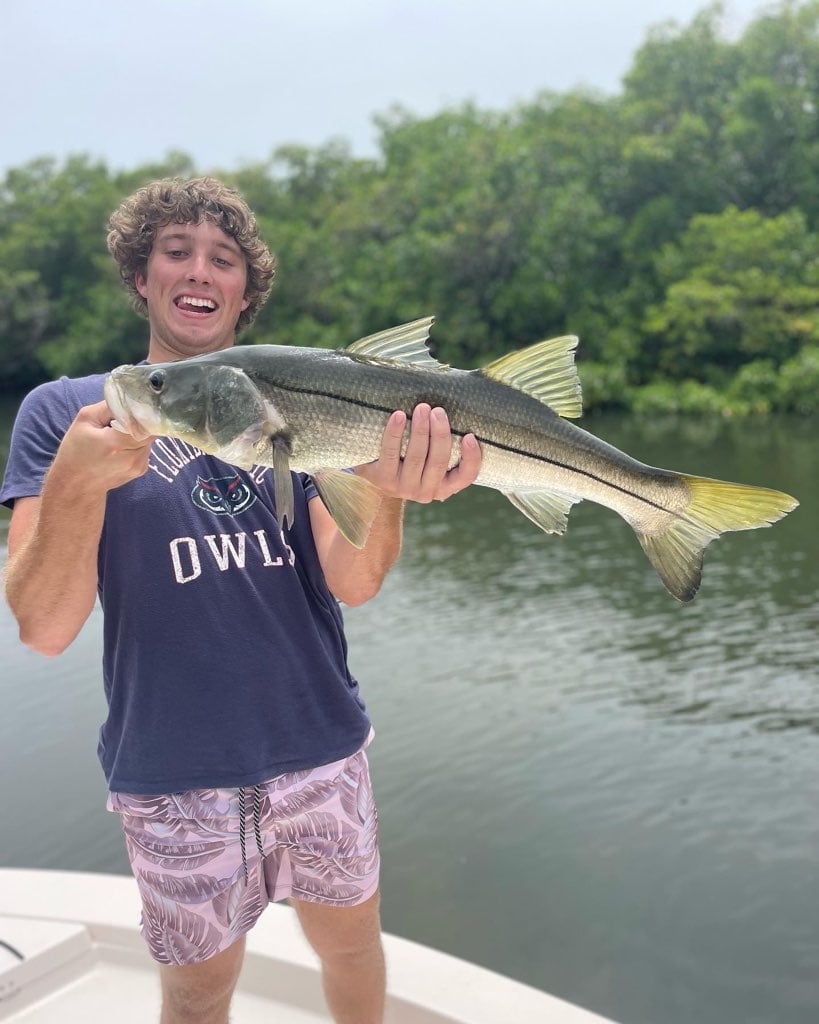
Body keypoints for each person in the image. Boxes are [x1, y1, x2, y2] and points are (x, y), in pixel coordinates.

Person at [1, 176, 481, 1024]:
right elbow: (42, 626)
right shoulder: (66, 412)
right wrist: (75, 486)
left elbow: (354, 581)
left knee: (352, 946)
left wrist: (392, 485)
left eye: (223, 259)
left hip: (319, 742)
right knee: (194, 994)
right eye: (175, 251)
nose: (200, 270)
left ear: (244, 291)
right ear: (140, 276)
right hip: (172, 766)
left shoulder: (306, 398)